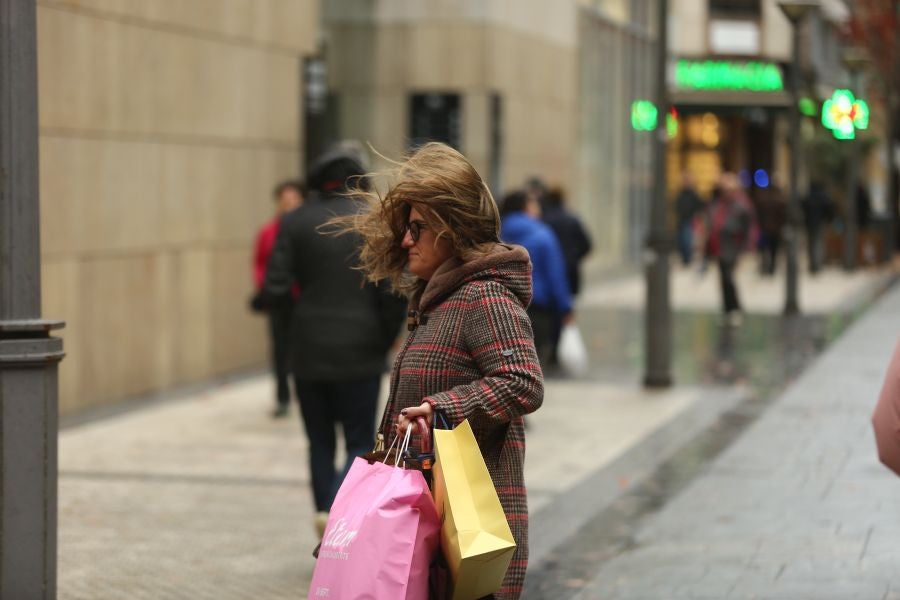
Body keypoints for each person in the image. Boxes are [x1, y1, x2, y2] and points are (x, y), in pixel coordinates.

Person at [343, 142, 544, 599]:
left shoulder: (483, 297)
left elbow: (523, 382)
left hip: (466, 526)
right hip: (422, 519)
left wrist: (442, 409)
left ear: (452, 230)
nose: (406, 241)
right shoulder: (435, 302)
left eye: (417, 228)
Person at [263, 143, 407, 537]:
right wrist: (383, 339)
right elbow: (394, 292)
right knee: (360, 439)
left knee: (319, 441)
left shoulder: (294, 222)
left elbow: (275, 288)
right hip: (361, 350)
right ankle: (341, 516)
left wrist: (295, 329)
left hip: (307, 351)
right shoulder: (373, 221)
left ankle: (324, 508)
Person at [500, 190, 574, 370]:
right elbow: (555, 275)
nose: (538, 208)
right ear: (525, 207)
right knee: (532, 366)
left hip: (502, 304)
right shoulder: (543, 234)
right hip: (537, 308)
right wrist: (565, 307)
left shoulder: (497, 232)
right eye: (534, 204)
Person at [252, 180, 303, 418]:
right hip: (279, 300)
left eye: (294, 201)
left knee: (302, 349)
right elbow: (260, 263)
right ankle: (283, 397)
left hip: (303, 300)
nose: (289, 205)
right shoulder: (268, 232)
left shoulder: (308, 231)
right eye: (285, 201)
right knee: (280, 349)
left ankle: (304, 394)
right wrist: (268, 288)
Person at [707, 173, 754, 326]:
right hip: (720, 246)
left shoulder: (741, 207)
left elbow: (747, 229)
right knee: (723, 279)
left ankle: (735, 308)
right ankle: (727, 309)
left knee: (728, 278)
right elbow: (712, 222)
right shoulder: (718, 205)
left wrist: (744, 248)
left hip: (732, 247)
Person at [541, 187, 592, 297]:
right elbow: (587, 245)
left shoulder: (543, 220)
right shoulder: (572, 219)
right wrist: (574, 257)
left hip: (548, 271)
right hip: (570, 269)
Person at [754, 181, 787, 276]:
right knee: (774, 250)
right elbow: (783, 217)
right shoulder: (780, 201)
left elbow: (758, 215)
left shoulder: (763, 200)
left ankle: (765, 267)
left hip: (765, 228)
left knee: (764, 249)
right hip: (776, 230)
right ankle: (772, 268)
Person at [802, 181, 834, 274]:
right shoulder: (823, 197)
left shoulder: (808, 197)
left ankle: (813, 264)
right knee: (819, 243)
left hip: (809, 224)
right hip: (820, 223)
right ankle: (817, 264)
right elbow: (829, 209)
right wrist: (828, 221)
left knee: (811, 244)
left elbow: (804, 208)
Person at [674, 172, 703, 266]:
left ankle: (687, 259)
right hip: (682, 221)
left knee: (687, 241)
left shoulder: (694, 194)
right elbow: (677, 206)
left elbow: (699, 207)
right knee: (682, 241)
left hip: (690, 221)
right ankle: (685, 259)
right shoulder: (680, 194)